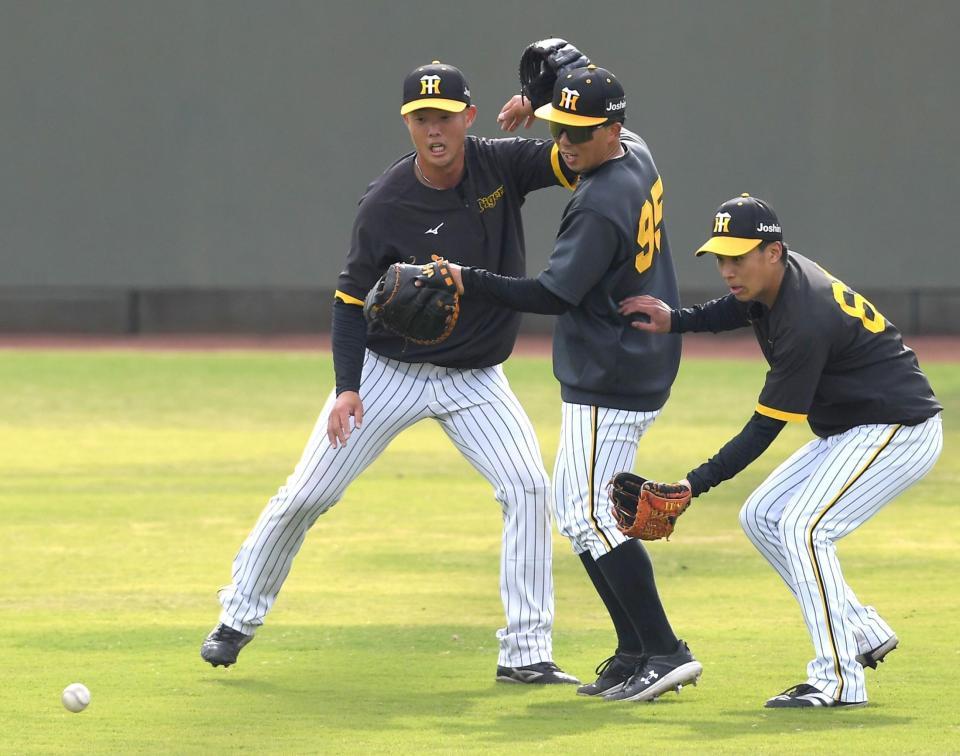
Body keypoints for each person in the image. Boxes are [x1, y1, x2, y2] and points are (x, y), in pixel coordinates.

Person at [200, 59, 587, 684]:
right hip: (387, 370)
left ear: (469, 116)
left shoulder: (499, 164)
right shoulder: (385, 204)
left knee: (528, 489)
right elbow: (349, 302)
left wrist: (539, 104)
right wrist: (346, 388)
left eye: (444, 116)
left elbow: (577, 158)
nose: (433, 129)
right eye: (420, 118)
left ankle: (526, 654)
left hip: (474, 379)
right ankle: (238, 615)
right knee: (309, 493)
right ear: (408, 124)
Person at [619, 194, 943, 708]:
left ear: (774, 251)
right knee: (761, 515)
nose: (728, 269)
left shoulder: (804, 318)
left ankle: (838, 680)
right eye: (721, 258)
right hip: (855, 427)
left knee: (804, 527)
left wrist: (692, 484)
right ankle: (860, 629)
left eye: (739, 257)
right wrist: (676, 320)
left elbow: (762, 430)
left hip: (897, 430)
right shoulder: (775, 282)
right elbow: (738, 305)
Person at [446, 65, 702, 703]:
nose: (565, 144)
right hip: (631, 362)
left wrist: (465, 279)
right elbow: (566, 58)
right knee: (581, 512)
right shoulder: (635, 151)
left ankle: (664, 649)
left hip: (610, 373)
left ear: (613, 131)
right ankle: (635, 647)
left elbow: (554, 293)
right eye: (561, 130)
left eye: (581, 134)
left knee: (591, 514)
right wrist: (538, 95)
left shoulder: (598, 204)